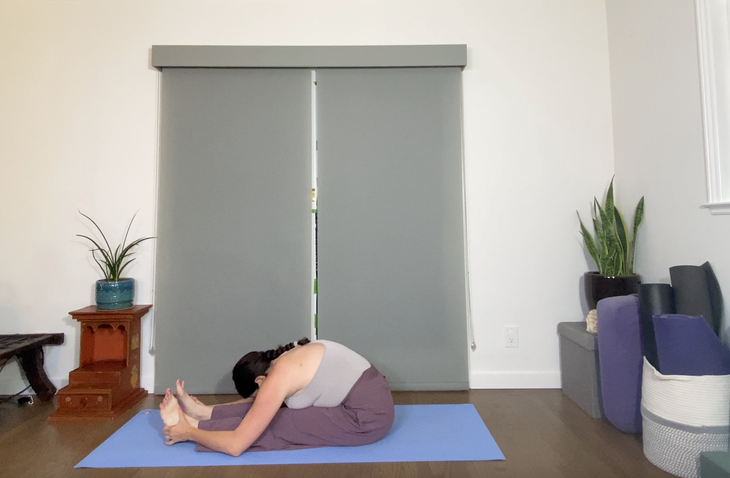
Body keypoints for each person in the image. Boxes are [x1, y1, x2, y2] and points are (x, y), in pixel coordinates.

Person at [159, 337, 395, 456]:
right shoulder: (285, 359)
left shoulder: (278, 379)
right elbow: (258, 404)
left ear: (260, 381)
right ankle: (202, 414)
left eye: (258, 392)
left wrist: (189, 433)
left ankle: (191, 424)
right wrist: (206, 409)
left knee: (276, 425)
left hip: (366, 419)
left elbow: (236, 445)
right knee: (268, 412)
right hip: (369, 398)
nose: (259, 398)